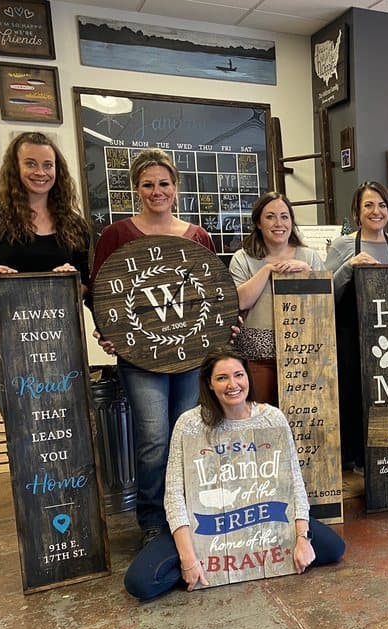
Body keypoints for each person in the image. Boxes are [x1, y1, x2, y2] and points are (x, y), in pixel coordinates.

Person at [123, 350, 346, 600]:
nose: (232, 385)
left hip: (265, 521)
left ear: (248, 377)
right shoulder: (189, 424)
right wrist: (188, 558)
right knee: (140, 582)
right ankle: (200, 568)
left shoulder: (272, 418)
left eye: (239, 375)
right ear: (209, 383)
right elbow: (174, 493)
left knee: (333, 548)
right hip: (205, 527)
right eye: (222, 378)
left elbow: (294, 482)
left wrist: (302, 537)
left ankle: (224, 564)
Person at [91, 148, 217, 549]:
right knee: (153, 439)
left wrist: (217, 332)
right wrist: (106, 330)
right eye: (148, 184)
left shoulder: (198, 236)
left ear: (176, 188)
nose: (156, 191)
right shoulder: (117, 235)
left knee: (187, 435)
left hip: (190, 355)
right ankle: (152, 520)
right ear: (136, 189)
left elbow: (212, 293)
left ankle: (188, 509)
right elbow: (101, 291)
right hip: (140, 357)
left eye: (164, 183)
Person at [0, 132, 91, 417]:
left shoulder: (74, 224)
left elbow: (86, 285)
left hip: (58, 338)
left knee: (60, 425)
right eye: (31, 164)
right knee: (21, 431)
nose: (40, 172)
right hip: (1, 336)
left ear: (58, 169)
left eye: (48, 165)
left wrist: (71, 282)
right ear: (15, 168)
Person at [325, 181, 388, 470]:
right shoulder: (342, 246)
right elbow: (327, 293)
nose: (375, 211)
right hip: (352, 335)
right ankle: (354, 458)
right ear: (357, 210)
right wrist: (349, 267)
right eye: (368, 205)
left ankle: (386, 457)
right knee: (353, 394)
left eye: (381, 205)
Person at [230, 192, 324, 404]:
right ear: (259, 223)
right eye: (270, 216)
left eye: (284, 216)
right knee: (261, 417)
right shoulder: (242, 258)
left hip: (303, 352)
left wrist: (308, 272)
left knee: (301, 423)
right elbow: (241, 301)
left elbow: (324, 304)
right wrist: (268, 270)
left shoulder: (309, 256)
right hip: (257, 356)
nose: (278, 223)